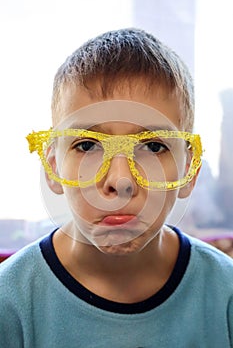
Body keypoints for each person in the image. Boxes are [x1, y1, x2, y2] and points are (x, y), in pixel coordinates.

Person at [0, 28, 233, 348]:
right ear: (53, 167)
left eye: (153, 147)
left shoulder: (226, 293)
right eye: (86, 146)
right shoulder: (8, 303)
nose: (120, 181)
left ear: (190, 169)